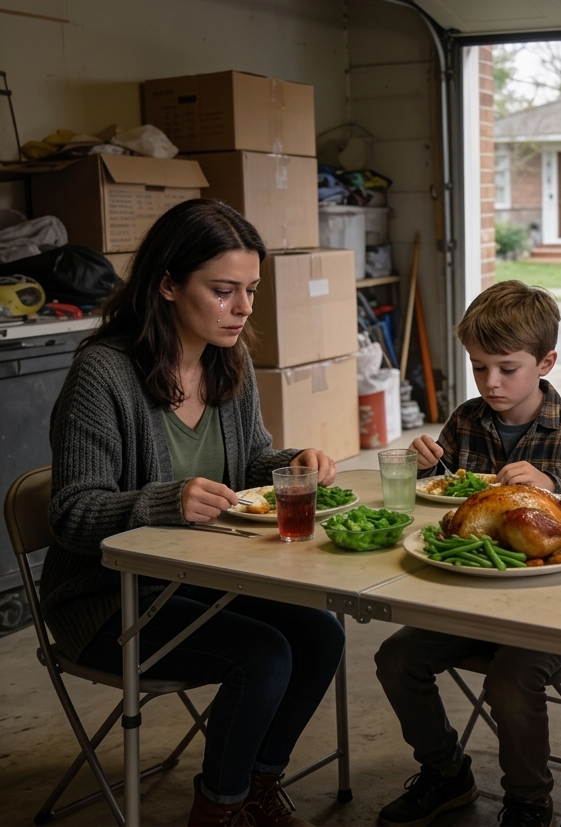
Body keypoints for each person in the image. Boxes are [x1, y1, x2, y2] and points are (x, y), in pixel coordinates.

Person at [39, 199, 345, 827]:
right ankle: (220, 809)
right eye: (224, 290)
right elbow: (70, 513)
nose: (244, 309)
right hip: (108, 602)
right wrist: (164, 500)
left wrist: (294, 463)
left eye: (251, 290)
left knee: (323, 633)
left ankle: (256, 785)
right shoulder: (103, 375)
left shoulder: (224, 358)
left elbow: (253, 460)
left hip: (200, 579)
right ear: (169, 285)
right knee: (261, 656)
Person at [374, 280, 561, 827]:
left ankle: (528, 800)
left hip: (553, 609)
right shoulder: (466, 419)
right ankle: (447, 773)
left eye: (506, 368)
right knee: (396, 658)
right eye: (479, 368)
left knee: (509, 679)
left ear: (545, 362)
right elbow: (446, 508)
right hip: (473, 599)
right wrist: (425, 465)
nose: (491, 383)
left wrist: (551, 485)